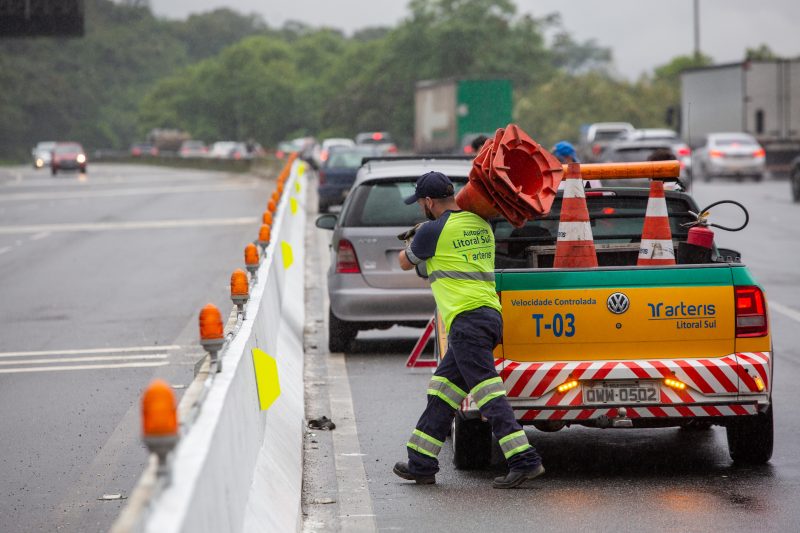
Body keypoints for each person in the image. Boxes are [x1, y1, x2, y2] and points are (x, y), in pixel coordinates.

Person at [393, 171, 545, 489]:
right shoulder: (481, 225)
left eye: (421, 202)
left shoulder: (431, 231)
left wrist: (415, 235)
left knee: (488, 394)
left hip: (466, 323)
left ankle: (524, 460)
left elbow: (405, 263)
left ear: (428, 202)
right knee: (443, 390)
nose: (420, 206)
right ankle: (421, 462)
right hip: (489, 316)